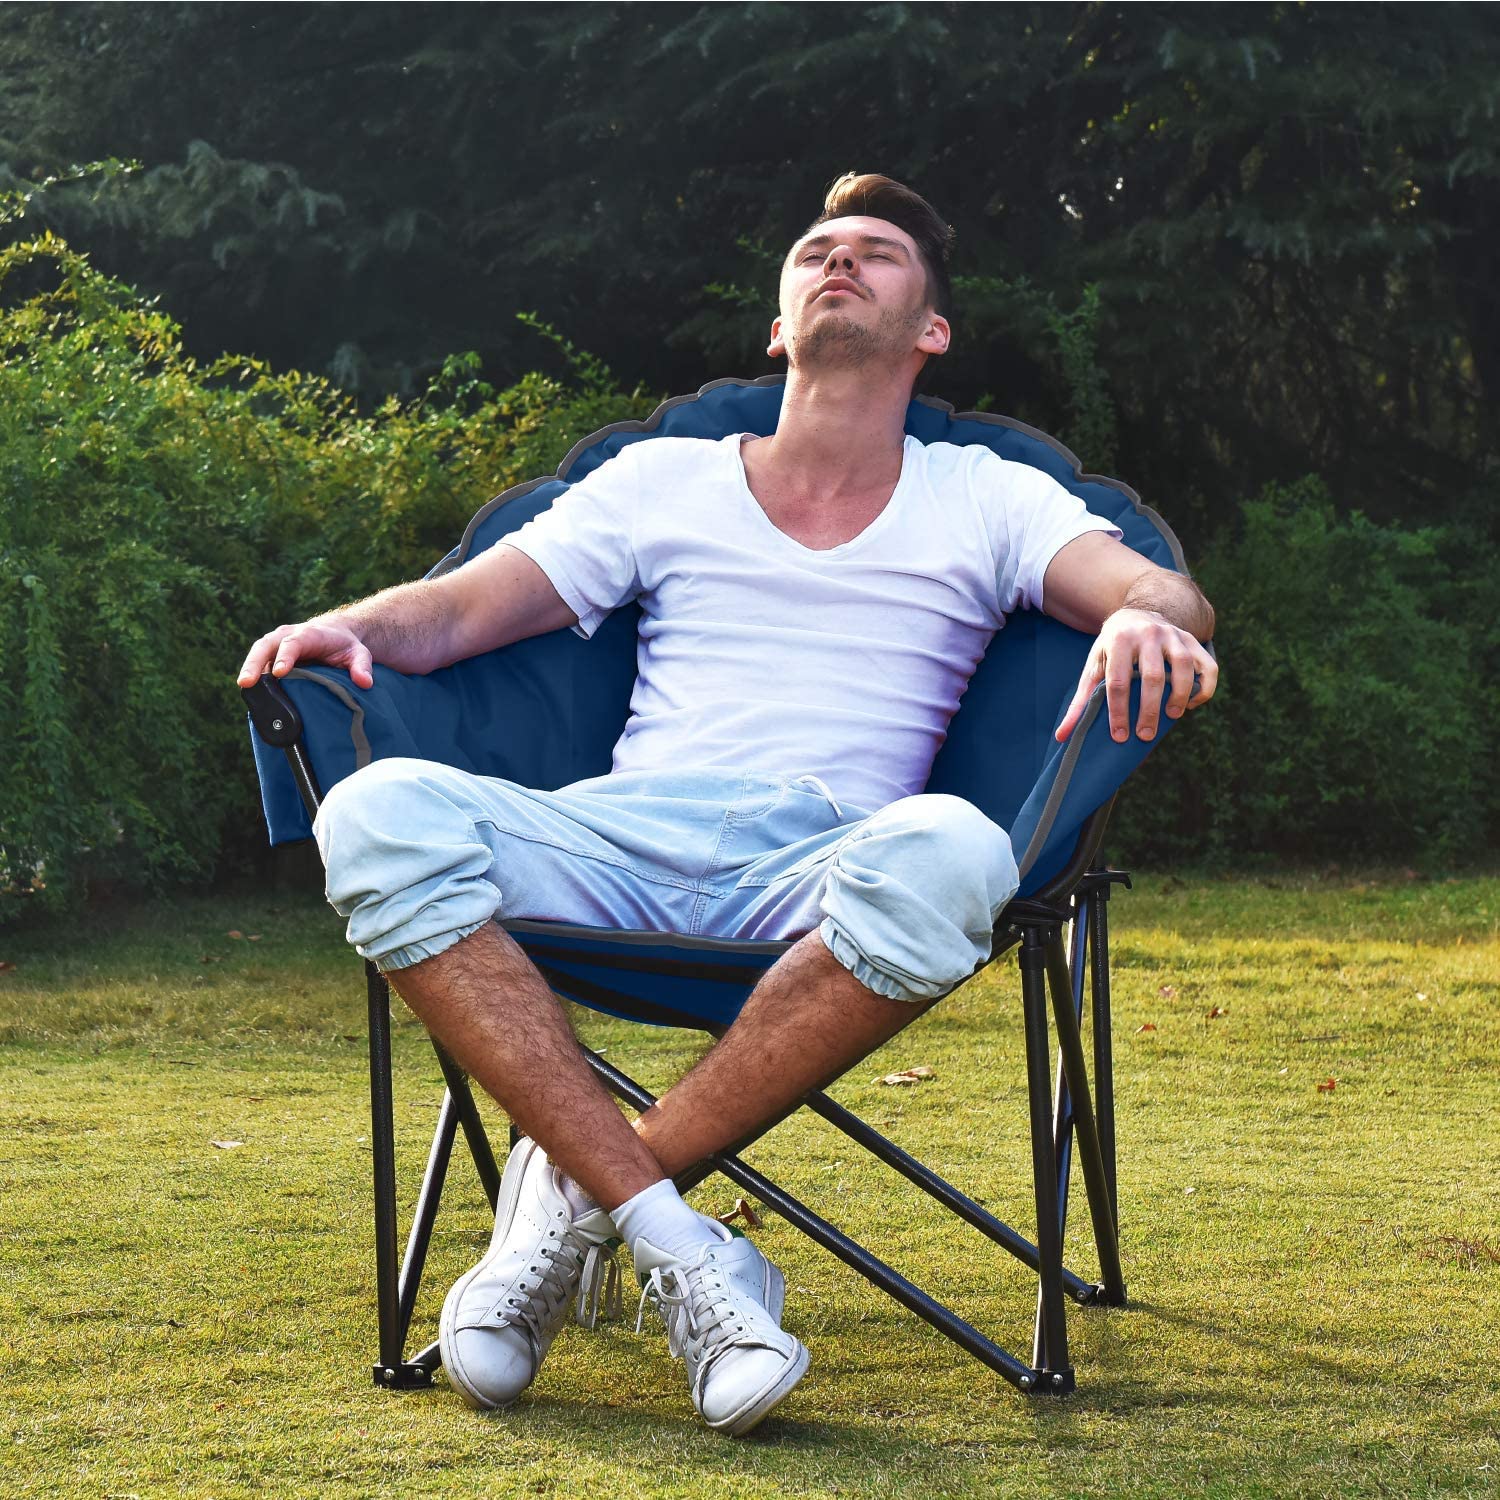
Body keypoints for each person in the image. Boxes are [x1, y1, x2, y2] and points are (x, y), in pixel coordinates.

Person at [236, 172, 1217, 1436]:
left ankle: (570, 1202)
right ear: (778, 322)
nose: (841, 263)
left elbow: (1166, 598)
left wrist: (1147, 613)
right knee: (375, 815)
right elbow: (463, 609)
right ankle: (687, 1247)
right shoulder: (664, 480)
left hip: (822, 861)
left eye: (878, 253)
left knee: (959, 853)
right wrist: (340, 625)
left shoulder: (987, 494)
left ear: (933, 329)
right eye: (818, 249)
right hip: (613, 834)